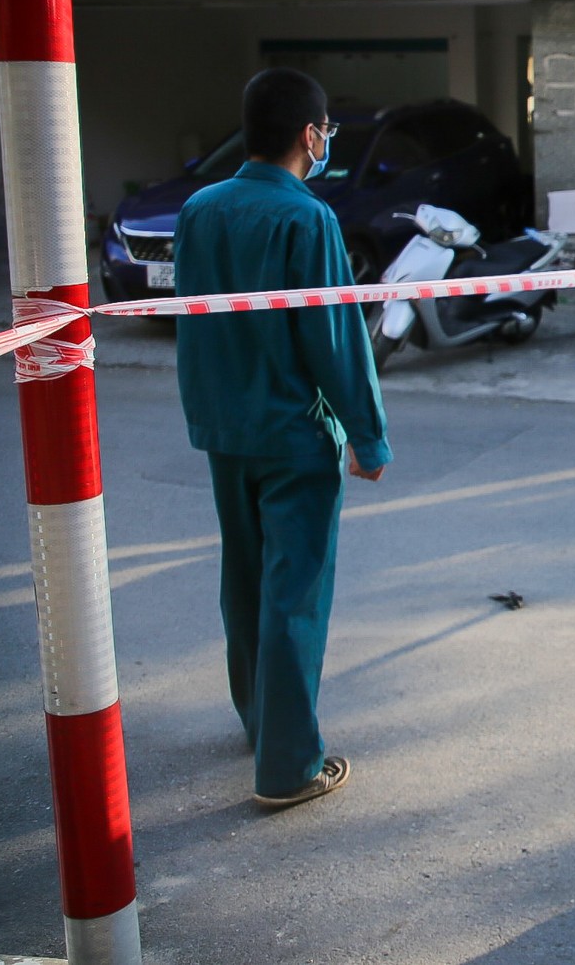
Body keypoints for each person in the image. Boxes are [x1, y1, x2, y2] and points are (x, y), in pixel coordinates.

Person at [174, 68, 391, 810]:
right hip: (293, 433)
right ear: (311, 135)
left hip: (224, 430)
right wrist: (368, 437)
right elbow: (335, 339)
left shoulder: (200, 210)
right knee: (294, 595)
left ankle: (260, 722)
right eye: (325, 132)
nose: (325, 142)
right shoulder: (308, 221)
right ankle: (290, 766)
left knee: (245, 581)